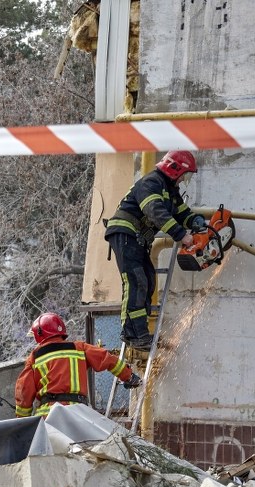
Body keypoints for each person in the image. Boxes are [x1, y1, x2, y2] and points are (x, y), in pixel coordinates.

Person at [104, 150, 205, 351]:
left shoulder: (169, 190)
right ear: (175, 170)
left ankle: (140, 333)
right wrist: (182, 235)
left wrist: (196, 222)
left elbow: (181, 213)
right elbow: (155, 212)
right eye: (185, 175)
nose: (185, 180)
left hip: (138, 239)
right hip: (125, 233)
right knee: (135, 280)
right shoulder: (151, 183)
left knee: (148, 281)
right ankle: (132, 333)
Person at [14, 312, 143, 418]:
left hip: (49, 417)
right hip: (79, 415)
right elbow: (108, 359)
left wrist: (22, 421)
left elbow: (23, 391)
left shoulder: (35, 357)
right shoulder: (79, 348)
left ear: (39, 334)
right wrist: (129, 377)